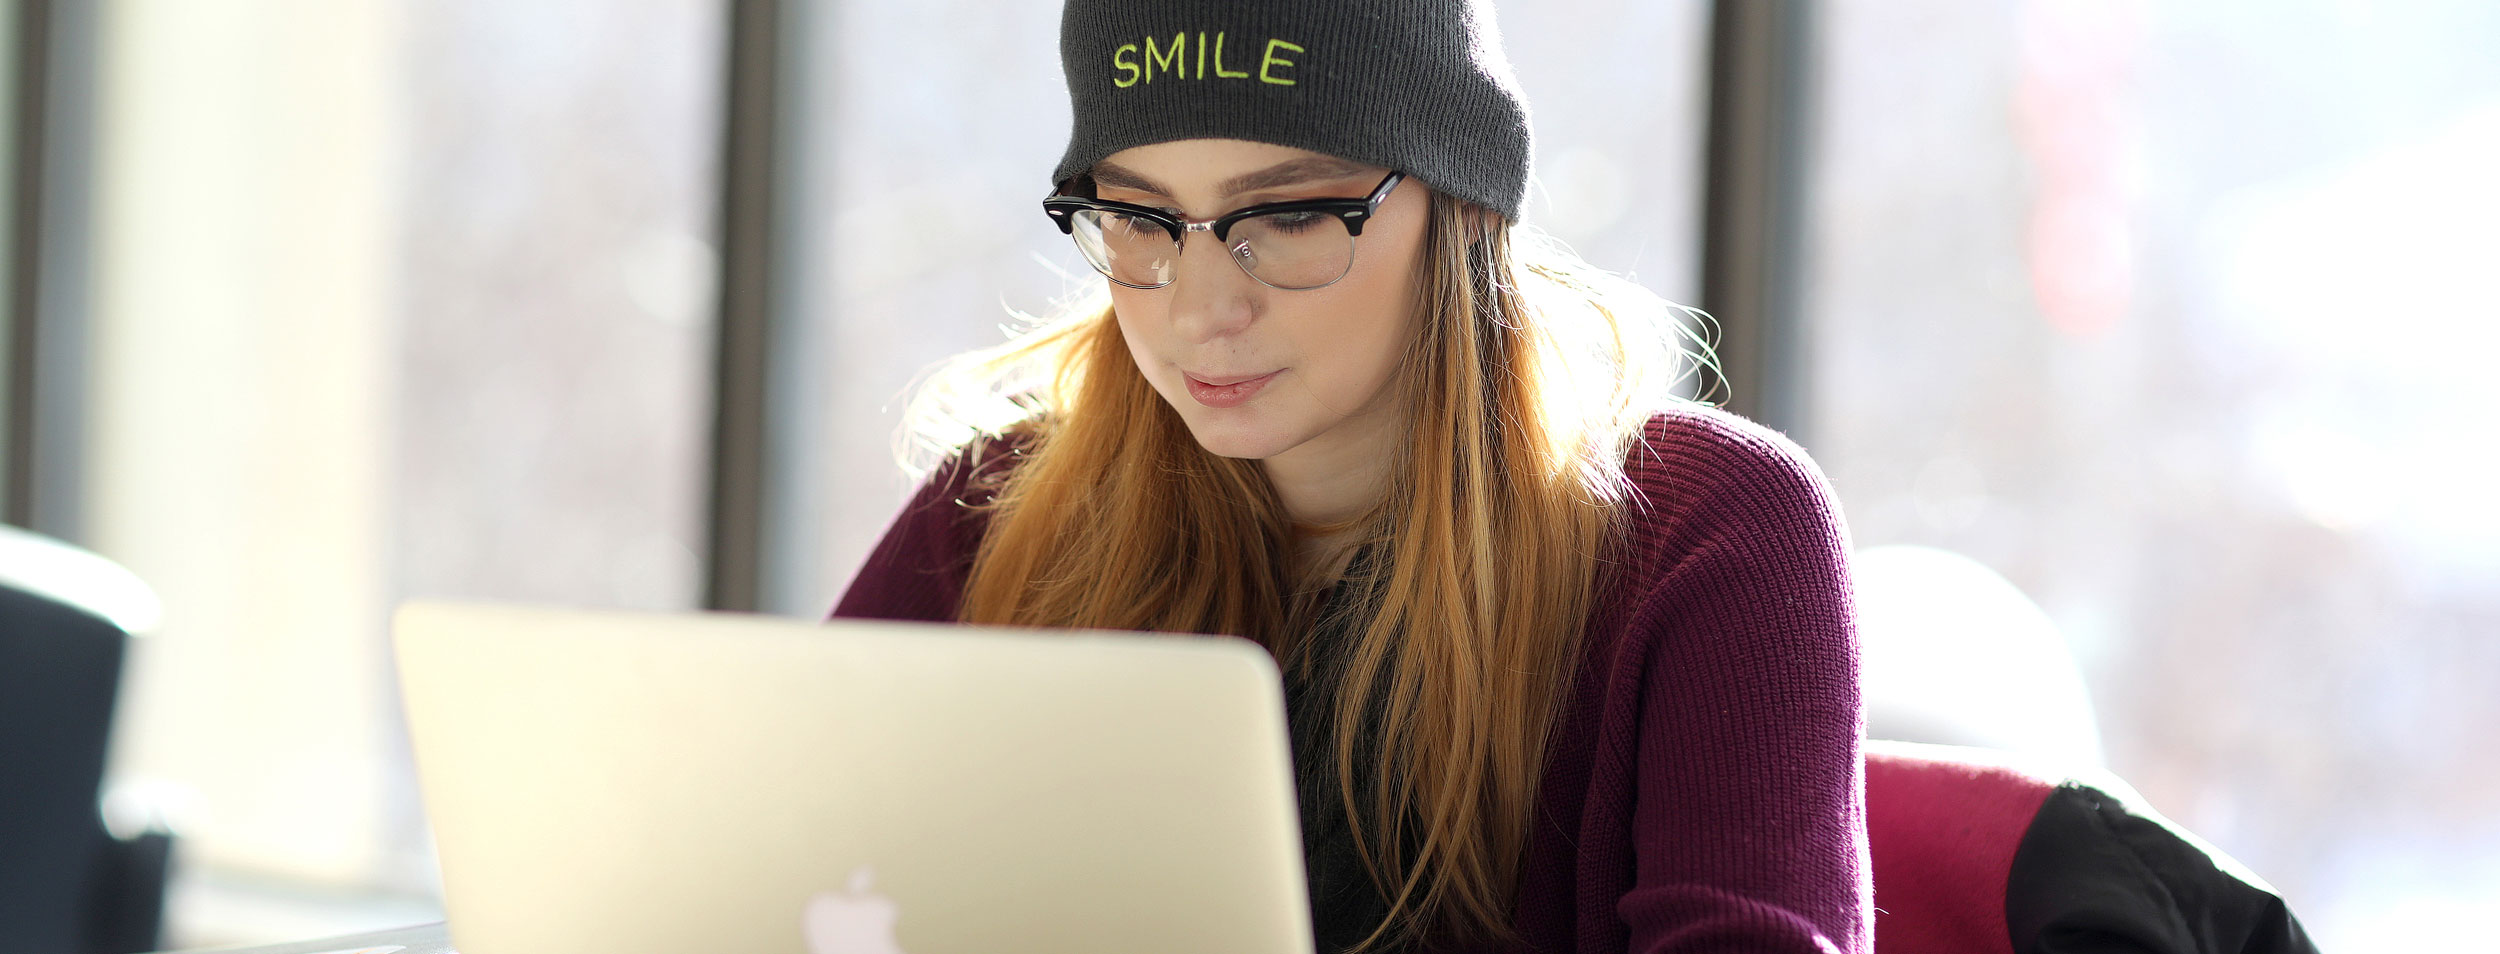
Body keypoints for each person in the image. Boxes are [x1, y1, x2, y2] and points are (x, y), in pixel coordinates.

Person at [832, 1, 1870, 951]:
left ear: (1462, 206)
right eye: (1142, 223)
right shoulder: (998, 511)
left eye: (1286, 219)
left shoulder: (1708, 533)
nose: (1199, 310)